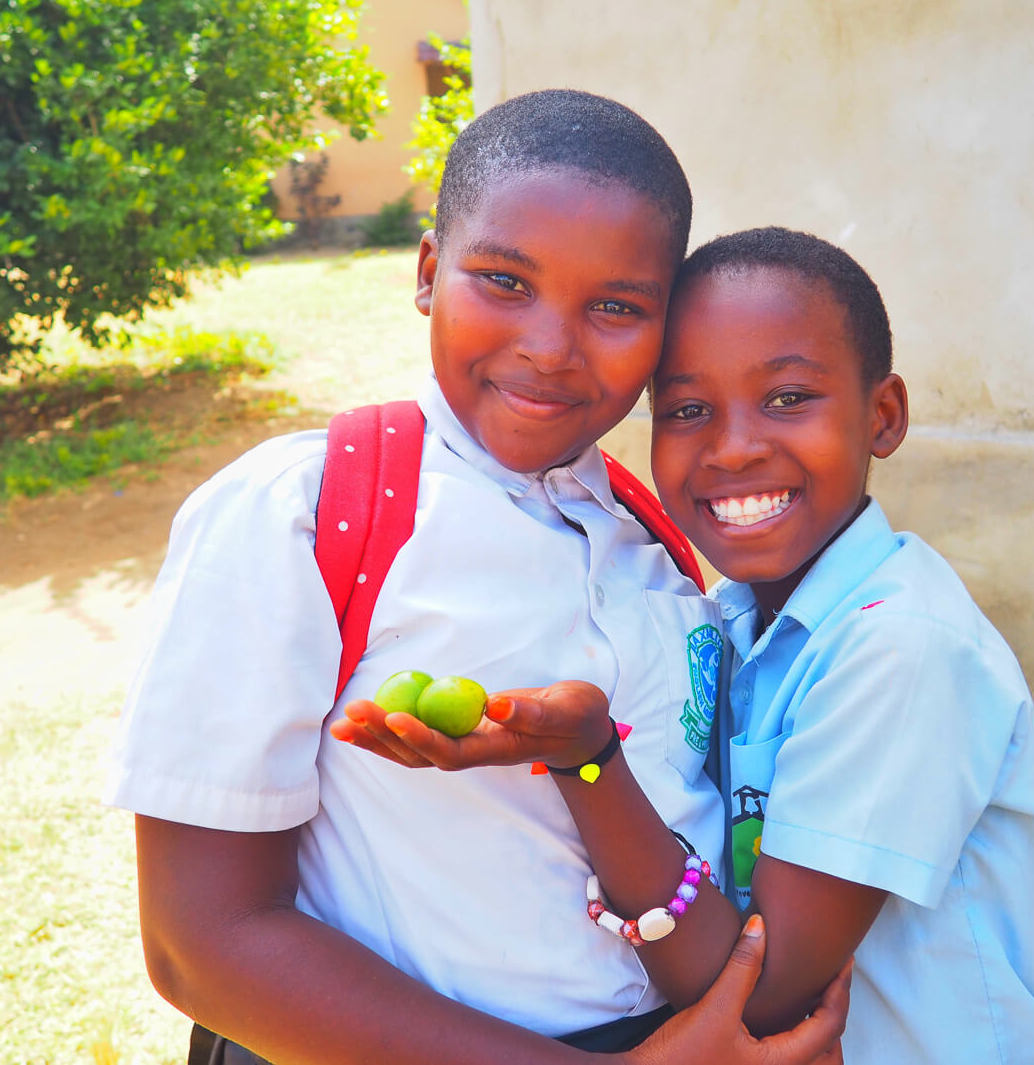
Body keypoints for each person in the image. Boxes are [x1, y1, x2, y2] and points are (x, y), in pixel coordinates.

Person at [105, 94, 849, 1065]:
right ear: (427, 274)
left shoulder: (645, 528)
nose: (549, 345)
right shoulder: (303, 510)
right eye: (503, 281)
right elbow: (199, 944)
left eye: (616, 307)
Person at [341, 226, 1034, 1062]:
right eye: (688, 410)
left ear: (883, 415)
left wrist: (589, 759)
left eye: (789, 398)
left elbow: (758, 996)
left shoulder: (902, 649)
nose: (733, 448)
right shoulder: (724, 622)